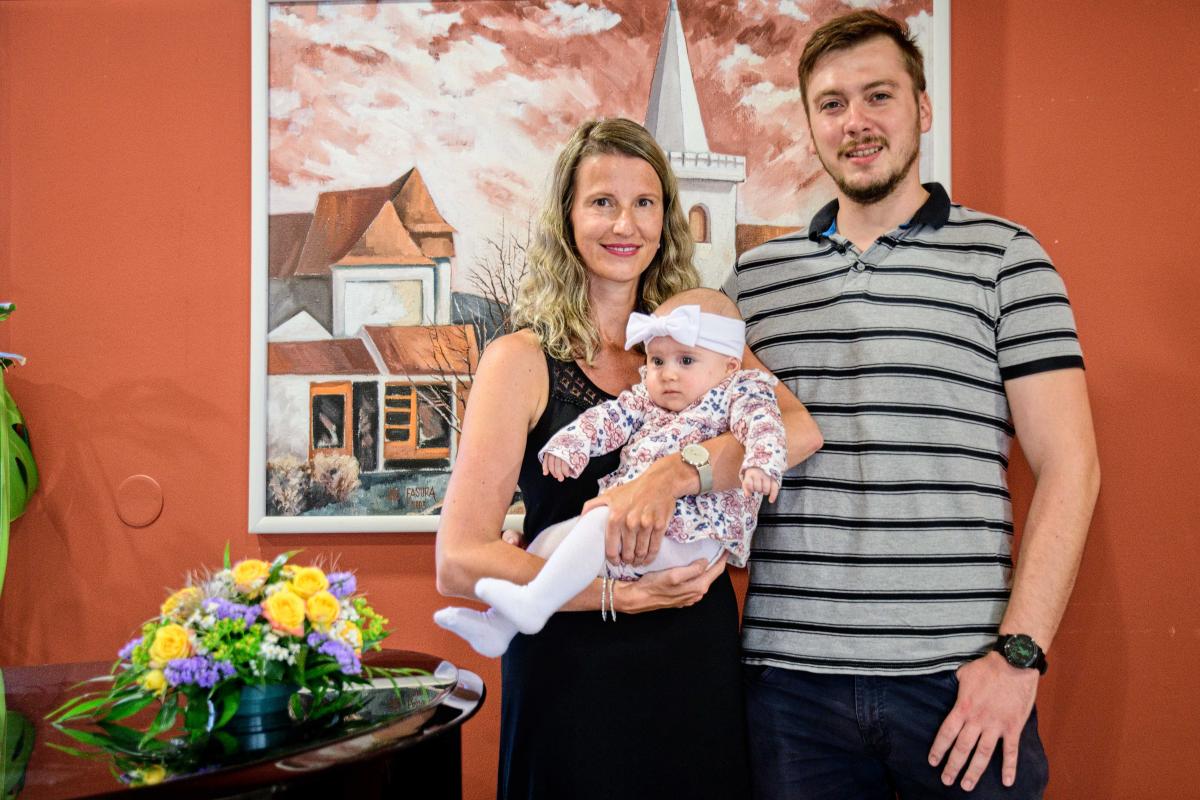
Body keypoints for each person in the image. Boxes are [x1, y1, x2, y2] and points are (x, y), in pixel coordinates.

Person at [723, 10, 1101, 800]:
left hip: (961, 684)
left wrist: (1019, 658)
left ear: (922, 109)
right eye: (831, 104)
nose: (855, 122)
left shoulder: (1008, 260)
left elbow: (1071, 468)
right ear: (811, 126)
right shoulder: (753, 285)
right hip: (790, 690)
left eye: (879, 96)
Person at [435, 117, 820, 799]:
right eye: (602, 202)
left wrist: (677, 474)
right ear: (566, 218)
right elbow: (459, 560)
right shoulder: (518, 360)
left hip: (691, 660)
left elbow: (798, 430)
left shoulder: (701, 338)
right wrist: (622, 596)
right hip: (571, 673)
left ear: (666, 219)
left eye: (645, 202)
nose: (626, 224)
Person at [435, 288, 787, 657]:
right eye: (657, 360)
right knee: (549, 541)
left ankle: (535, 604)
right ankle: (499, 625)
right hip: (637, 533)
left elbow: (767, 426)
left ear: (730, 366)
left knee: (603, 515)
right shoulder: (649, 395)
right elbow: (609, 419)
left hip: (694, 534)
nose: (669, 374)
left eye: (686, 360)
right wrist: (570, 445)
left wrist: (760, 463)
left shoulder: (740, 392)